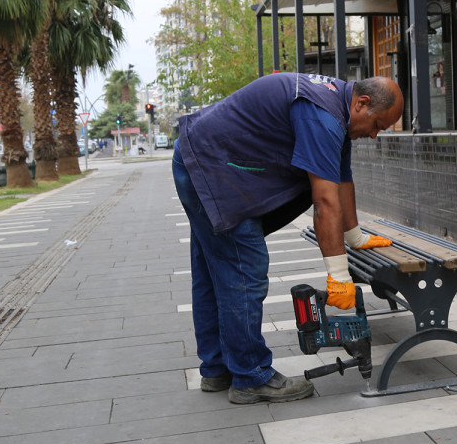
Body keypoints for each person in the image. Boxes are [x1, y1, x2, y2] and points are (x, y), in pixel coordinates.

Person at [173, 73, 404, 404]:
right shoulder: (323, 115)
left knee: (214, 273)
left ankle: (218, 368)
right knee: (243, 272)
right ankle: (251, 377)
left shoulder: (335, 107)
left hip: (202, 159)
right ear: (362, 103)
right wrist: (339, 277)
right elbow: (325, 203)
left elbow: (342, 181)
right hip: (215, 170)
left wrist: (355, 236)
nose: (375, 134)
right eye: (378, 125)